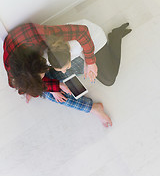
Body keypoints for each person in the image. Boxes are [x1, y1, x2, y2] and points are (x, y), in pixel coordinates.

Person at [3, 21, 132, 127]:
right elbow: (24, 84)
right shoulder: (13, 70)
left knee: (109, 78)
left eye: (42, 76)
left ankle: (115, 36)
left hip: (89, 42)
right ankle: (93, 108)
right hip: (64, 56)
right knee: (51, 94)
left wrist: (90, 61)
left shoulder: (44, 37)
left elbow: (82, 32)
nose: (44, 80)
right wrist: (44, 86)